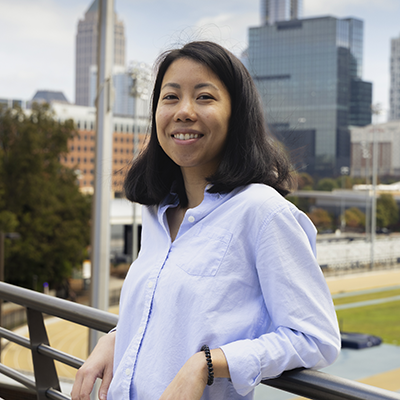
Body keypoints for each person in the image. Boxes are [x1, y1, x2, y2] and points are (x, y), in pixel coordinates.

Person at [71, 41, 340, 400]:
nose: (184, 111)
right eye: (170, 97)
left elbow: (315, 338)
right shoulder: (156, 212)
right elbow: (173, 309)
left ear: (236, 115)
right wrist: (117, 339)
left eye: (204, 97)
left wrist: (209, 364)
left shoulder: (262, 211)